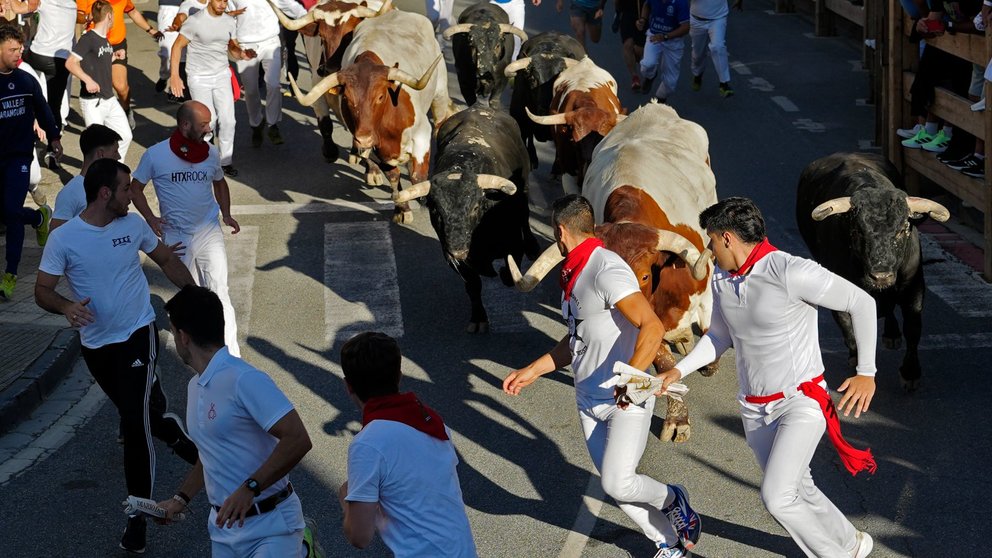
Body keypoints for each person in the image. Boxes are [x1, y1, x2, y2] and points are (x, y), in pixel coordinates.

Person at [656, 197, 878, 558]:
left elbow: (862, 303)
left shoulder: (791, 271)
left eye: (711, 240)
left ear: (727, 238)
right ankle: (851, 543)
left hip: (800, 403)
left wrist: (866, 372)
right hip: (754, 409)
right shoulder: (724, 281)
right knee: (798, 487)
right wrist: (679, 369)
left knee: (777, 496)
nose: (709, 250)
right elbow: (719, 337)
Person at [502, 195, 701, 558]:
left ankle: (674, 499)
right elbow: (578, 338)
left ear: (561, 231)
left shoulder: (605, 269)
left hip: (624, 397)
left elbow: (652, 326)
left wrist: (631, 380)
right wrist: (535, 368)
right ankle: (668, 543)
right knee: (618, 486)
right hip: (588, 399)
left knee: (617, 480)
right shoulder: (574, 273)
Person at [34, 158, 199, 554]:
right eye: (127, 190)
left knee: (135, 420)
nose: (132, 196)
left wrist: (197, 300)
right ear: (105, 193)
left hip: (138, 332)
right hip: (96, 346)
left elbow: (166, 260)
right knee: (142, 413)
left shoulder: (132, 226)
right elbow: (42, 289)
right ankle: (177, 435)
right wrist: (64, 307)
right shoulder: (65, 239)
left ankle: (137, 516)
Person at [156, 285, 313, 557]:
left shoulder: (244, 379)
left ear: (183, 337)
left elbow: (298, 439)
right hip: (224, 531)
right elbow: (210, 453)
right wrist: (180, 499)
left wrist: (250, 487)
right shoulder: (196, 386)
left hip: (273, 528)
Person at [339, 331, 478, 557]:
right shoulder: (432, 422)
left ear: (348, 386)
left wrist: (346, 500)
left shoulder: (368, 444)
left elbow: (359, 536)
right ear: (399, 375)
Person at [129, 100, 243, 357]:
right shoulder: (155, 155)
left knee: (219, 290)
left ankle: (231, 354)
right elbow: (135, 188)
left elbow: (220, 183)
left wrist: (226, 214)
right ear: (185, 125)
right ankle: (196, 350)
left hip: (208, 232)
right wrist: (151, 218)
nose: (208, 129)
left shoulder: (211, 153)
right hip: (177, 235)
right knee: (191, 294)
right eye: (203, 124)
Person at [0, 24, 60, 300]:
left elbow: (43, 110)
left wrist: (55, 138)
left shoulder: (25, 80)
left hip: (19, 158)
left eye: (20, 49)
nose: (18, 54)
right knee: (5, 212)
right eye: (12, 50)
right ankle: (38, 217)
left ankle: (10, 274)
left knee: (11, 212)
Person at [169, 0, 255, 177]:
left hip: (222, 75)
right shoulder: (195, 21)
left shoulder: (230, 21)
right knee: (209, 121)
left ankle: (225, 162)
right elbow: (177, 46)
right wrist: (175, 76)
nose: (223, 5)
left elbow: (232, 47)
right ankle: (204, 158)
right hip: (198, 77)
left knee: (229, 120)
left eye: (225, 1)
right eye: (219, 0)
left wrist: (243, 54)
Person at [229, 0, 306, 147]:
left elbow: (289, 5)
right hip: (245, 45)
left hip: (270, 43)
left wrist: (308, 16)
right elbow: (228, 17)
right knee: (250, 91)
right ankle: (256, 124)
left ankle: (273, 124)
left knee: (273, 84)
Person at [76, 0, 163, 128]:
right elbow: (78, 16)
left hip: (117, 45)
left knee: (121, 87)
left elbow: (132, 11)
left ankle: (126, 110)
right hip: (94, 46)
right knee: (95, 89)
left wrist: (151, 30)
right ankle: (97, 122)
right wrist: (88, 17)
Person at [65, 0, 133, 159]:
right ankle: (96, 176)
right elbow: (70, 62)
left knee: (125, 135)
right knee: (96, 146)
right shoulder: (88, 38)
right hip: (92, 102)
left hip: (109, 98)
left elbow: (99, 61)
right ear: (109, 16)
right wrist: (87, 80)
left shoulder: (105, 39)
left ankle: (114, 168)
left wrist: (114, 57)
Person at [23, 0, 75, 166]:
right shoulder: (73, 5)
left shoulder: (43, 1)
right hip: (60, 61)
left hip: (38, 56)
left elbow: (21, 8)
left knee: (18, 58)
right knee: (55, 106)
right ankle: (53, 151)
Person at [51, 123, 122, 230]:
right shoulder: (70, 193)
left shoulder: (114, 187)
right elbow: (55, 237)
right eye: (115, 151)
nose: (118, 156)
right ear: (101, 154)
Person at [636, 0, 689, 103]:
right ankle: (650, 76)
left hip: (674, 42)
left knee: (670, 83)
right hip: (654, 36)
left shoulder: (680, 2)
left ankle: (659, 100)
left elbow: (686, 27)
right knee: (647, 65)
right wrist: (643, 19)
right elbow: (647, 5)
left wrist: (666, 36)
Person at [688, 0, 736, 97]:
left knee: (717, 46)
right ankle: (698, 74)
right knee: (698, 55)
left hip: (718, 17)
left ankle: (724, 83)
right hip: (696, 20)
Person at [615, 0, 647, 91]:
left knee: (639, 50)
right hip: (627, 14)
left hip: (644, 15)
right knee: (628, 44)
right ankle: (634, 77)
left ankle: (635, 57)